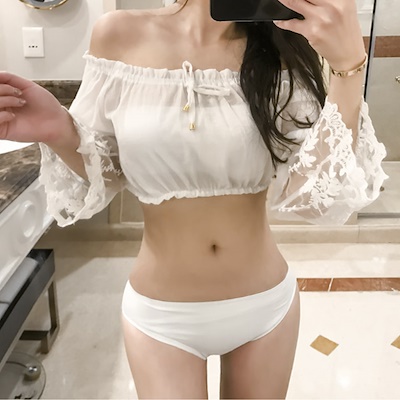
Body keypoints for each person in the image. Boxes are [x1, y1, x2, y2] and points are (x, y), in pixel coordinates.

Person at [0, 0, 387, 398]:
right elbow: (112, 172)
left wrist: (348, 68)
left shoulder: (284, 44)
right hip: (161, 315)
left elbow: (316, 198)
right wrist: (58, 129)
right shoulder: (118, 35)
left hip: (265, 307)